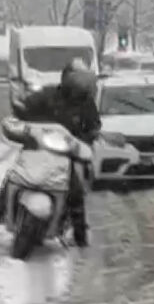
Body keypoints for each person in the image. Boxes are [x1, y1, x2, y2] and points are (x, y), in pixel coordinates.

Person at [6, 60, 100, 246]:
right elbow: (25, 108)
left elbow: (93, 126)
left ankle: (80, 236)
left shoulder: (86, 104)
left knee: (75, 190)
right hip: (39, 147)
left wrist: (86, 138)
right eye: (76, 80)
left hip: (67, 153)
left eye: (82, 81)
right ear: (66, 78)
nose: (78, 86)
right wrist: (20, 113)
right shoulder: (48, 95)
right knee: (13, 176)